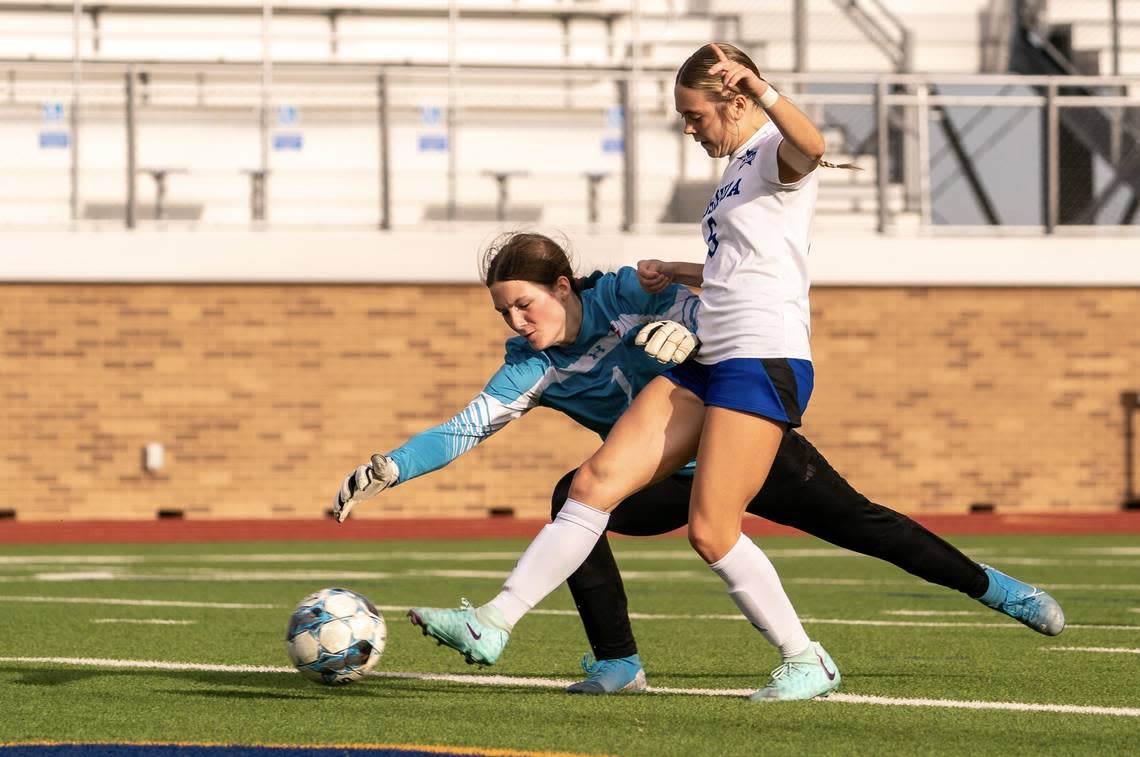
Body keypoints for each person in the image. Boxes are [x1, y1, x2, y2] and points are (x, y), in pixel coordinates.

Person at [334, 235, 1064, 697]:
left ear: (562, 287)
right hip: (665, 483)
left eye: (524, 305)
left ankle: (1000, 589)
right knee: (576, 495)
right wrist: (390, 468)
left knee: (870, 528)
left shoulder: (626, 289)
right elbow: (465, 428)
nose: (518, 324)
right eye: (505, 314)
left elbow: (727, 299)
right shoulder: (531, 366)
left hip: (741, 444)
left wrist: (688, 334)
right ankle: (617, 661)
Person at [398, 41, 845, 702]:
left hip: (762, 356)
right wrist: (684, 269)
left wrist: (766, 89)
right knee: (594, 481)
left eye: (694, 115)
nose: (688, 127)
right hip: (715, 354)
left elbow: (811, 145)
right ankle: (490, 623)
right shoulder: (732, 174)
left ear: (735, 98)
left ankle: (808, 659)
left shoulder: (772, 155)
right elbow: (750, 265)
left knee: (711, 530)